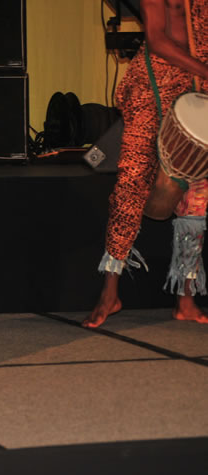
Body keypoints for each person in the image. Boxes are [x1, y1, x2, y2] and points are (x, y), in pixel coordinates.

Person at [83, 0, 208, 328]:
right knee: (131, 185)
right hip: (153, 87)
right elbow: (157, 40)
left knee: (197, 195)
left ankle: (185, 298)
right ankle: (110, 293)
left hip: (196, 88)